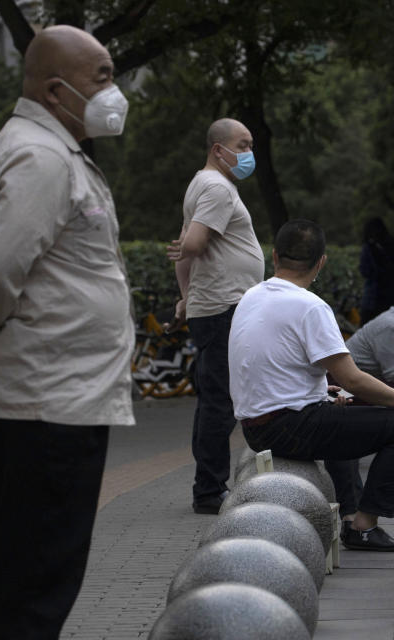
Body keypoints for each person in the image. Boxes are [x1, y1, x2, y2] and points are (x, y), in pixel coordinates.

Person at [0, 25, 135, 638]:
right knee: (35, 577)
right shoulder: (40, 156)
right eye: (103, 76)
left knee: (24, 566)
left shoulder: (51, 151)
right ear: (56, 90)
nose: (113, 90)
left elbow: (22, 268)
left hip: (49, 399)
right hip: (42, 405)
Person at [229, 219, 394, 551]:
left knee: (335, 411)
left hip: (253, 426)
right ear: (321, 262)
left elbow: (273, 364)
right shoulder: (310, 306)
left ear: (274, 257)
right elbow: (351, 378)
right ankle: (365, 524)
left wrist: (320, 392)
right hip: (287, 426)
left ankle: (348, 517)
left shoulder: (252, 295)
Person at [165, 118, 265, 514]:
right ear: (217, 149)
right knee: (220, 402)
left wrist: (185, 297)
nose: (248, 153)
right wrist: (186, 249)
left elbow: (188, 253)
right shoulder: (216, 187)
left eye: (251, 144)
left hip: (216, 305)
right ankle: (209, 490)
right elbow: (192, 243)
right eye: (242, 145)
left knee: (214, 398)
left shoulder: (202, 185)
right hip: (224, 307)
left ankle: (208, 485)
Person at [326, 303, 394, 522]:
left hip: (359, 383)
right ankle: (355, 516)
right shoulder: (391, 326)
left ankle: (358, 516)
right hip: (346, 385)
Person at [359, 217, 394, 325]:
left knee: (366, 334)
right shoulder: (393, 244)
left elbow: (365, 271)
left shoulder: (369, 247)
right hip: (392, 296)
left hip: (373, 298)